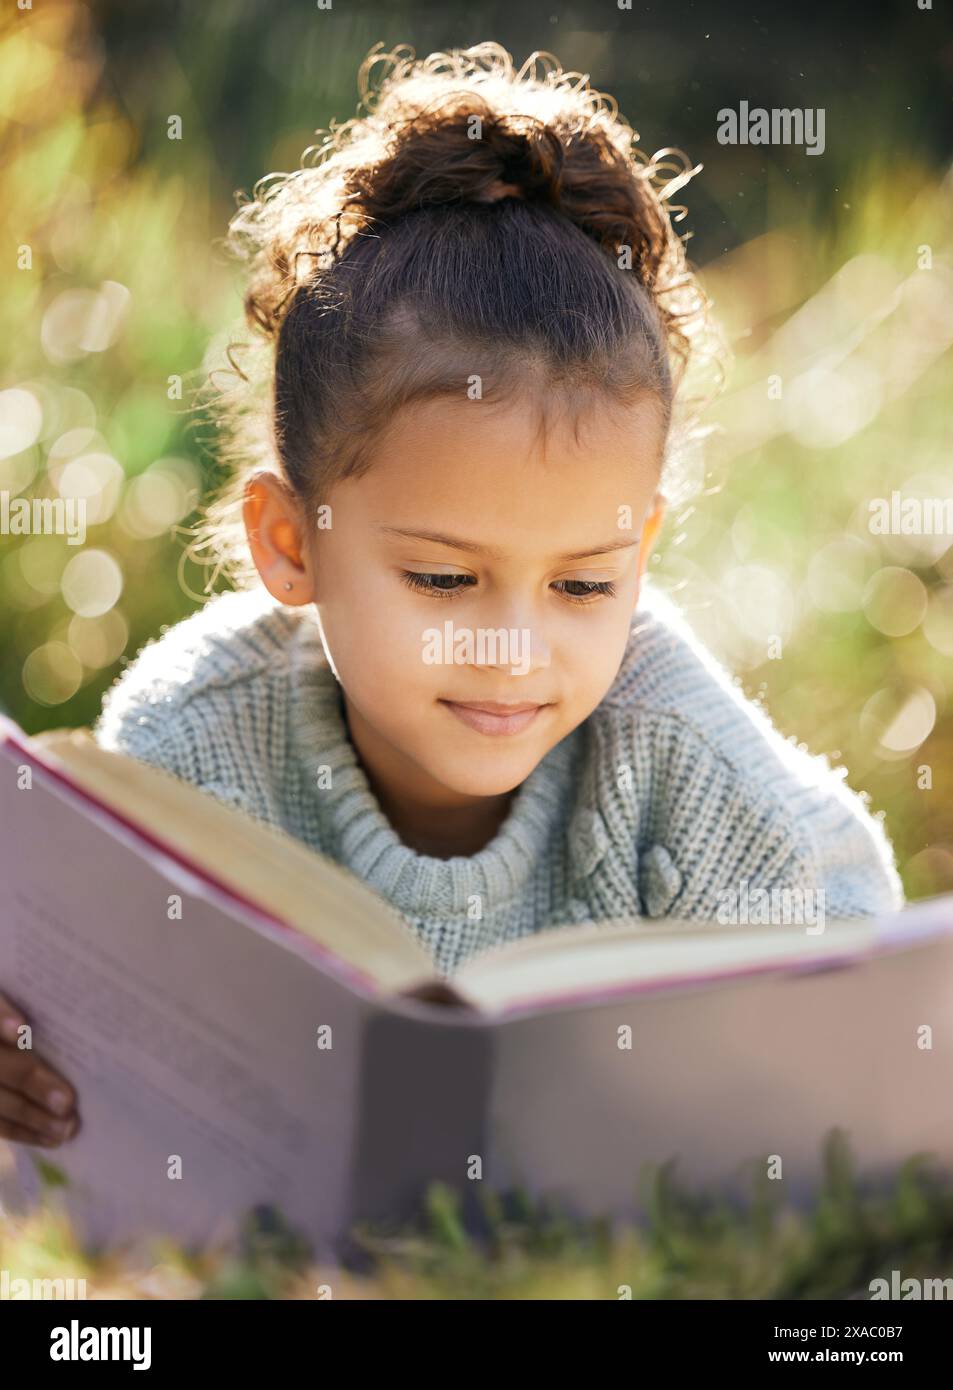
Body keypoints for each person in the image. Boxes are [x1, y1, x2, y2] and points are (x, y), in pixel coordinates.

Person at [0, 42, 901, 1151]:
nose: (513, 649)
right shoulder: (189, 737)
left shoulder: (685, 768)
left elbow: (866, 1013)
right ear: (291, 543)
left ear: (641, 550)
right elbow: (84, 1021)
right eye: (441, 577)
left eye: (583, 582)